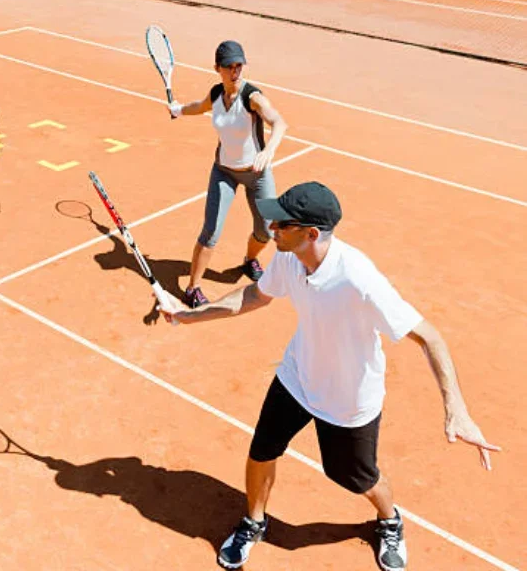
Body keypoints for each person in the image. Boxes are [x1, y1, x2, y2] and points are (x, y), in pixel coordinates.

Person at [157, 182, 500, 571]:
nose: (272, 228)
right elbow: (254, 296)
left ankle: (390, 520)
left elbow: (430, 337)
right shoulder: (289, 257)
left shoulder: (359, 280)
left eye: (281, 224)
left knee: (353, 476)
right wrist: (190, 315)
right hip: (298, 375)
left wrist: (457, 408)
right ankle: (254, 521)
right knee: (262, 450)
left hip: (348, 397)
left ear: (311, 233)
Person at [168, 39, 288, 308]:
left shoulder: (252, 97)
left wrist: (268, 151)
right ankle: (192, 288)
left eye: (239, 65)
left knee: (267, 230)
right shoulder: (216, 94)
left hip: (257, 174)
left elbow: (279, 122)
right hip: (224, 172)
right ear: (217, 68)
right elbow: (199, 107)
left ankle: (249, 260)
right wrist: (178, 110)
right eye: (229, 66)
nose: (235, 71)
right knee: (211, 231)